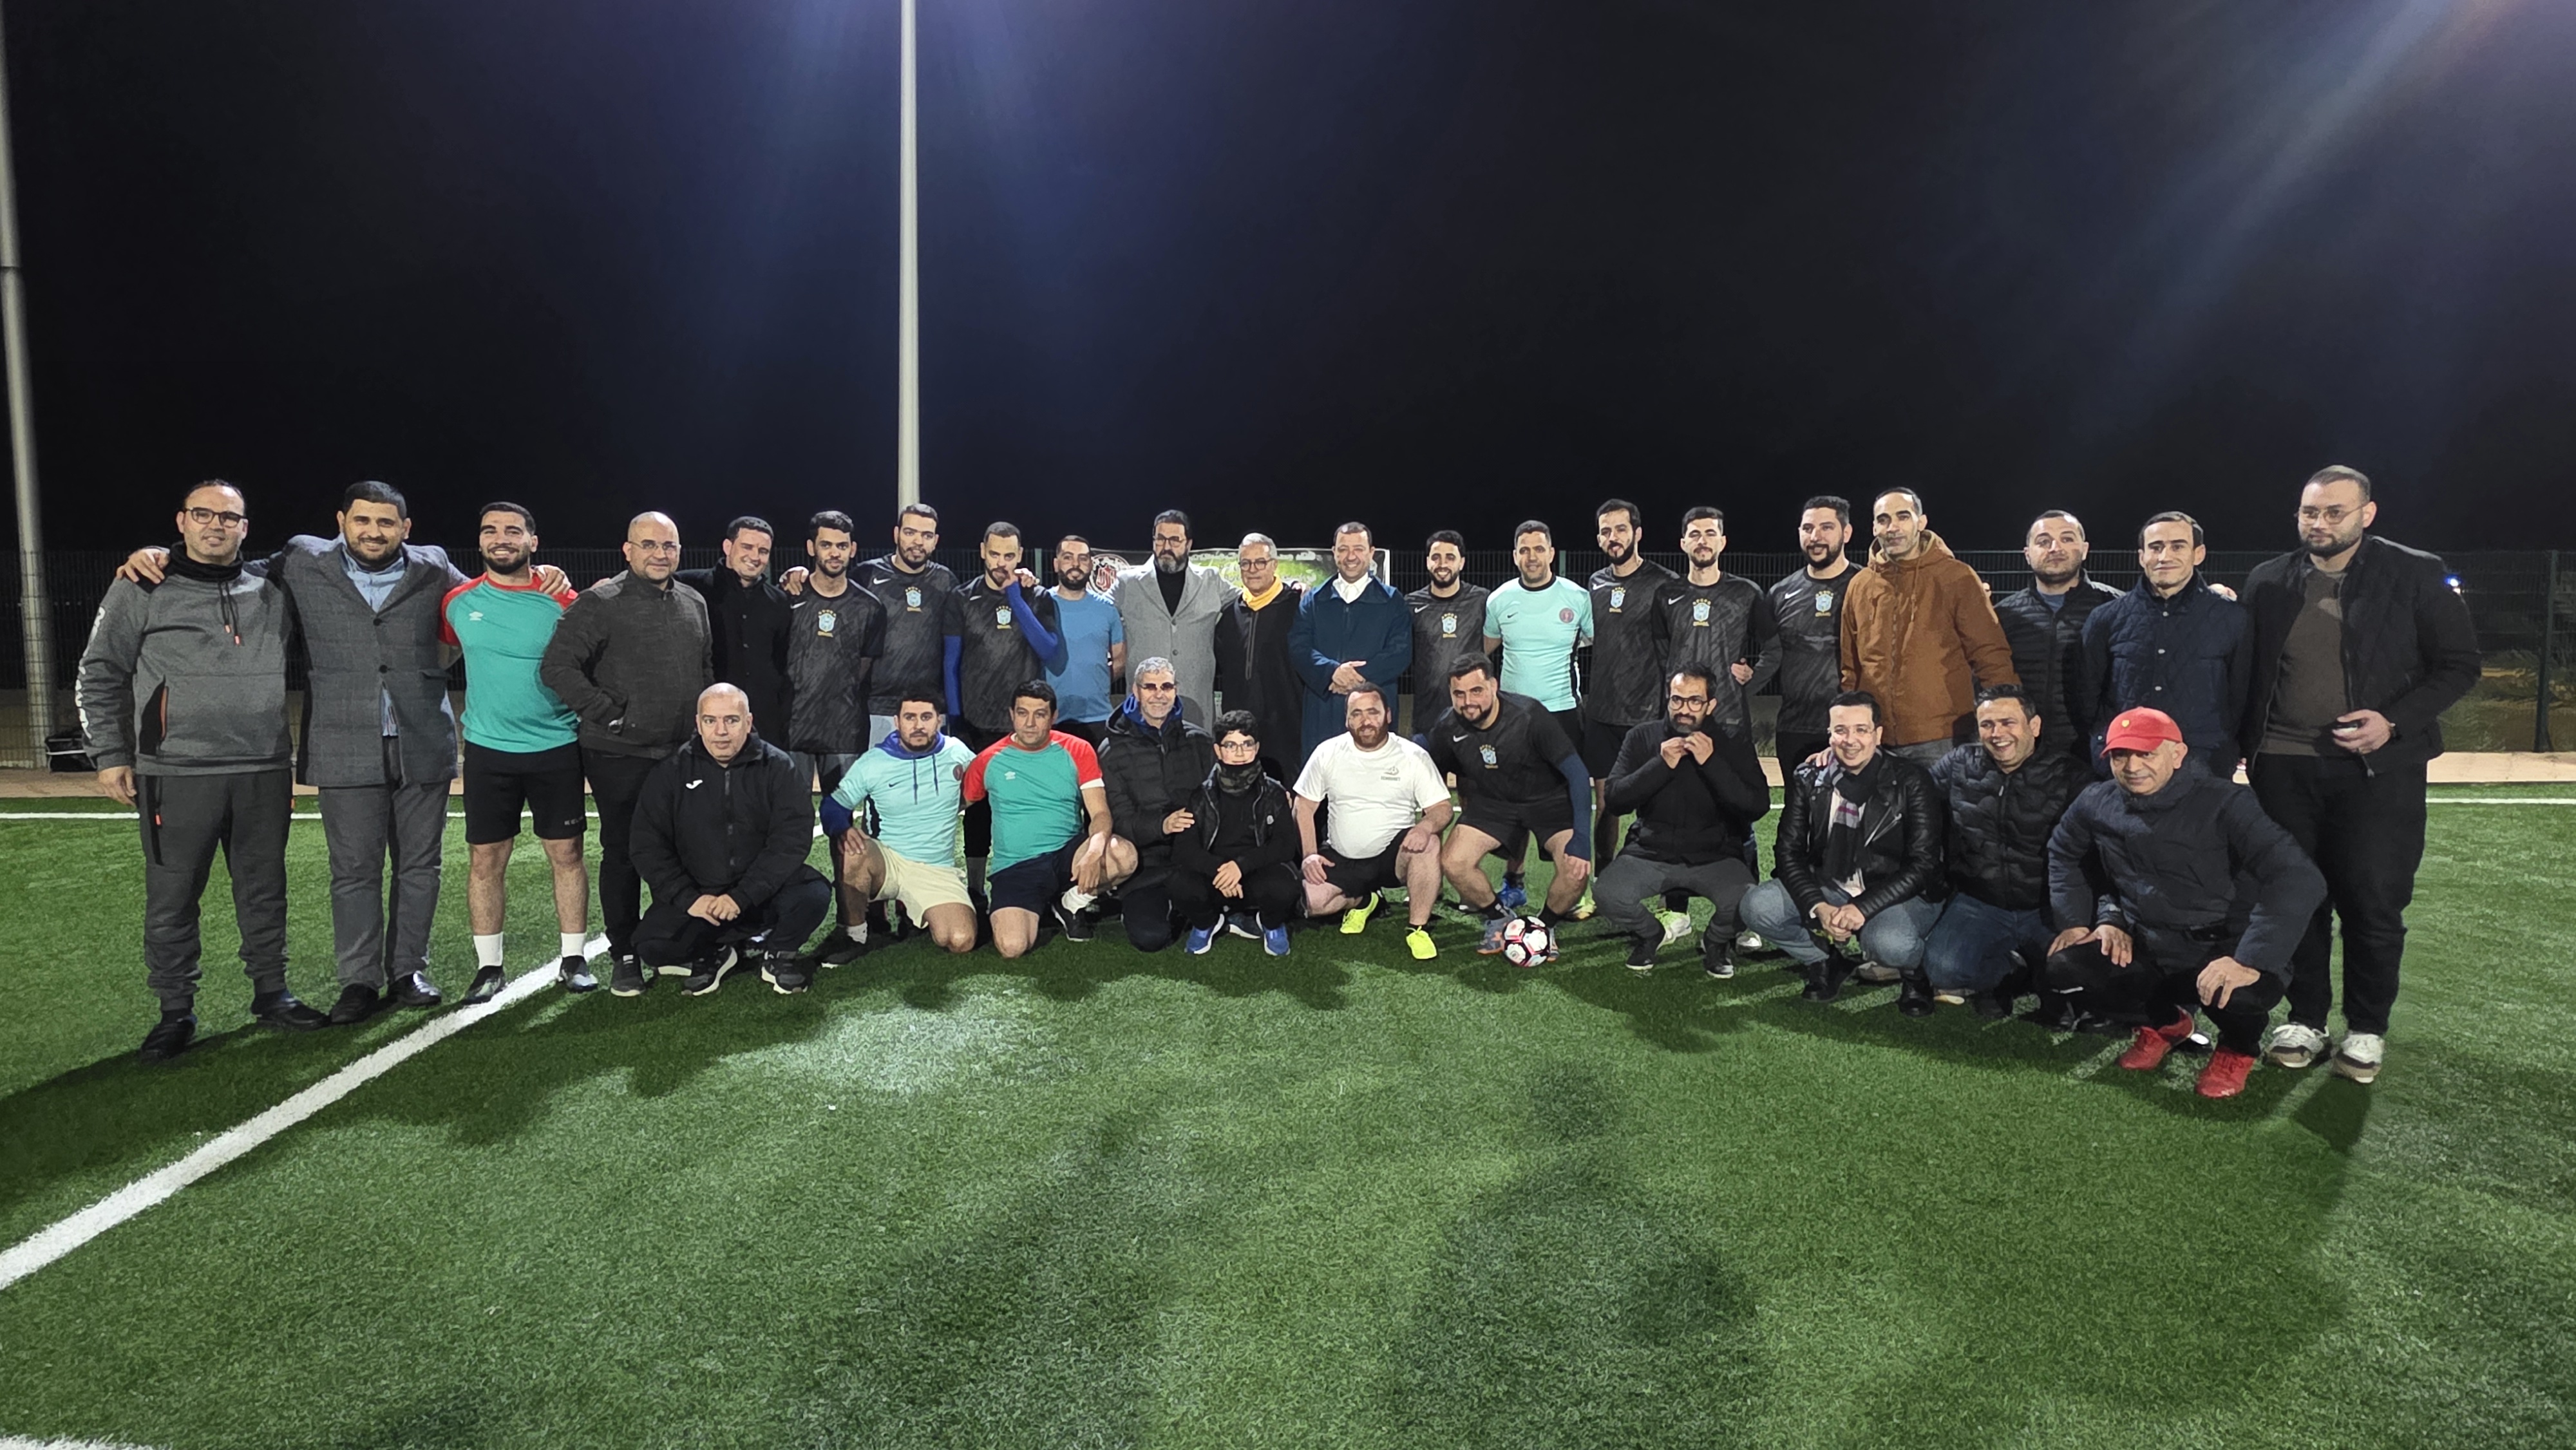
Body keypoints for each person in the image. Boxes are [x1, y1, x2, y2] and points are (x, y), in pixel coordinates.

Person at [117, 481, 477, 1021]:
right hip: (342, 740)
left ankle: (409, 970)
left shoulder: (434, 566)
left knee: (421, 867)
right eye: (362, 520)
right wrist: (160, 555)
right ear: (341, 521)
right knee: (353, 870)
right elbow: (228, 569)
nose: (373, 531)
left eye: (386, 523)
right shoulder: (304, 559)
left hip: (423, 738)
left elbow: (488, 600)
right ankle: (359, 981)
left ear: (406, 528)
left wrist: (543, 577)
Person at [2240, 464, 2479, 1085]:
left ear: (2366, 515)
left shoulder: (2415, 573)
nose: (2319, 523)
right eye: (2309, 512)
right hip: (2283, 767)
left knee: (2373, 900)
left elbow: (2459, 666)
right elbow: (2248, 669)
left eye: (2333, 512)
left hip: (2378, 771)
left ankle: (2367, 1028)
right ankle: (2306, 1019)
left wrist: (2393, 723)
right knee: (2299, 897)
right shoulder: (2267, 580)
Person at [81, 481, 326, 1061]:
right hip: (175, 771)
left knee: (265, 892)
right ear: (182, 521)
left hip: (264, 768)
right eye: (203, 514)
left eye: (229, 517)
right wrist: (110, 755)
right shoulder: (142, 585)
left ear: (245, 527)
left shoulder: (273, 584)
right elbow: (100, 671)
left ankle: (272, 993)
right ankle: (175, 1011)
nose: (216, 525)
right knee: (172, 898)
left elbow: (330, 550)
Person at [2043, 708, 2326, 1099]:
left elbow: (2298, 876)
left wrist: (2250, 959)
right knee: (2066, 967)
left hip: (2222, 944)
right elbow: (2063, 852)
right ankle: (2165, 1025)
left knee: (2239, 992)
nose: (2132, 767)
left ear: (2177, 755)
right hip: (2148, 942)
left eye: (2147, 753)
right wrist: (2080, 921)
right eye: (2121, 755)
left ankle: (2237, 1047)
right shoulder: (2096, 800)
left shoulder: (2227, 802)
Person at [539, 511, 713, 995]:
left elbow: (704, 668)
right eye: (649, 545)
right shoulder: (600, 602)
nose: (660, 554)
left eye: (669, 545)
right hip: (619, 754)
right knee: (625, 853)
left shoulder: (693, 601)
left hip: (679, 753)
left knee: (679, 851)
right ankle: (625, 954)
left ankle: (669, 943)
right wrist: (609, 713)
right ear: (628, 550)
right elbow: (557, 667)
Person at [442, 502, 595, 1000]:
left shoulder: (563, 599)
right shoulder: (458, 602)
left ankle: (574, 959)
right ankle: (489, 967)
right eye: (490, 530)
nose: (501, 538)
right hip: (488, 751)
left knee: (567, 853)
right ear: (480, 540)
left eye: (513, 530)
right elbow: (444, 652)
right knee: (486, 858)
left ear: (533, 541)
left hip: (557, 745)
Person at [1738, 691, 1945, 1006]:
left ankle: (1915, 975)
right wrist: (1818, 906)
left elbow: (1923, 864)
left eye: (1861, 730)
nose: (1850, 740)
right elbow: (1789, 852)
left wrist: (1862, 908)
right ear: (1829, 734)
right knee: (1757, 907)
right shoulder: (1809, 777)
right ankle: (1824, 961)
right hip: (1833, 883)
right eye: (1841, 730)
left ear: (1878, 735)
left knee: (1888, 943)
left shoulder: (1911, 779)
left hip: (1895, 890)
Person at [629, 685, 831, 995]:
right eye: (710, 721)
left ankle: (778, 954)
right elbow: (647, 846)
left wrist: (742, 896)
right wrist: (690, 899)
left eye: (731, 721)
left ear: (748, 723)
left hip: (760, 895)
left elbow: (790, 840)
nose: (721, 731)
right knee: (652, 946)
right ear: (698, 724)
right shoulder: (670, 772)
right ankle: (718, 952)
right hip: (702, 898)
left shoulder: (778, 767)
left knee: (813, 894)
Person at [1920, 684, 2087, 1017]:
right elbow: (1911, 791)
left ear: (2034, 726)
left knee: (2076, 971)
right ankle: (2008, 973)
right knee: (1942, 969)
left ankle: (2040, 974)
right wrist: (1837, 757)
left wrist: (2080, 917)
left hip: (2047, 906)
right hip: (1980, 902)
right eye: (1987, 725)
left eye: (2008, 722)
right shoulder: (1960, 763)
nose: (1997, 734)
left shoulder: (2071, 774)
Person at [1595, 664, 1771, 978]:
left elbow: (1757, 805)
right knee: (1607, 894)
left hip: (1715, 856)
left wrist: (1712, 763)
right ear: (1668, 699)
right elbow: (1616, 799)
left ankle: (1715, 942)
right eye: (1677, 700)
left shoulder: (1733, 740)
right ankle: (1652, 934)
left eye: (1695, 701)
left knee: (1749, 904)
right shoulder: (1642, 736)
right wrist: (1660, 765)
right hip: (1650, 852)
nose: (1684, 710)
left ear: (1711, 705)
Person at [1423, 655, 1596, 957]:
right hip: (1494, 803)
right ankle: (1499, 917)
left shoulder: (1529, 716)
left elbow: (1578, 774)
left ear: (1494, 686)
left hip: (1548, 802)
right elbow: (1429, 764)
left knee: (1575, 872)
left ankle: (1543, 927)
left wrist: (1581, 838)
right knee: (1454, 862)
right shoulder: (1449, 725)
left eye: (1476, 691)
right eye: (1459, 694)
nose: (1468, 702)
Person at [1840, 488, 2019, 763]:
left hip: (1945, 739)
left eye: (1903, 517)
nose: (1893, 527)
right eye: (1884, 520)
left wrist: (2008, 715)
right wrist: (1852, 724)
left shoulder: (1956, 577)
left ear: (1921, 522)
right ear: (1875, 528)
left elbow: (1990, 654)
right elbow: (1851, 666)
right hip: (1876, 739)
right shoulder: (1860, 585)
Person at [781, 509, 888, 965]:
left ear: (853, 550)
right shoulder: (787, 598)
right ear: (811, 548)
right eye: (826, 545)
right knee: (786, 830)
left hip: (845, 730)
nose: (834, 553)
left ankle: (852, 927)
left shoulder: (870, 607)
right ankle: (782, 925)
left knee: (844, 831)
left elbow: (860, 670)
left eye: (842, 545)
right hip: (792, 731)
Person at [960, 681, 1133, 957]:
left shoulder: (1078, 750)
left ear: (1053, 717)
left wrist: (1093, 853)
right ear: (1012, 715)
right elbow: (952, 807)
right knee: (1012, 947)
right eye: (1022, 713)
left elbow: (1100, 814)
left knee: (1124, 855)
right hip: (1016, 867)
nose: (1030, 723)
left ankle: (1071, 902)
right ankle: (1038, 906)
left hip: (1068, 857)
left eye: (1039, 714)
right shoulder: (988, 760)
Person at [1293, 683, 1453, 961]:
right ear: (1347, 720)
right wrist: (1309, 855)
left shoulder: (1412, 756)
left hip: (1394, 856)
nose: (1365, 721)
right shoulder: (1328, 752)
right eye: (1356, 714)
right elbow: (1303, 806)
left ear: (1388, 715)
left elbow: (1442, 809)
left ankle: (1417, 928)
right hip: (1343, 855)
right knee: (1311, 903)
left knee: (1428, 844)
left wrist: (1424, 827)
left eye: (1373, 712)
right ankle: (1367, 899)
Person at [2083, 511, 2249, 775]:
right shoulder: (2106, 619)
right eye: (2156, 547)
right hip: (2126, 765)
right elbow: (2087, 696)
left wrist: (2223, 750)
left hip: (2203, 767)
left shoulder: (2234, 618)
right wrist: (2102, 743)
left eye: (2178, 546)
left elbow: (2242, 696)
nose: (2165, 556)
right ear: (2142, 556)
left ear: (2199, 554)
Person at [820, 688, 980, 957]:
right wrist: (843, 829)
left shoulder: (956, 752)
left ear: (939, 721)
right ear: (897, 722)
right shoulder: (874, 762)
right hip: (887, 862)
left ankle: (919, 913)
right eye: (910, 717)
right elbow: (833, 806)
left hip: (935, 870)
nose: (918, 725)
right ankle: (854, 935)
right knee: (853, 850)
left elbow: (982, 781)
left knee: (959, 940)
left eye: (926, 717)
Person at [949, 522, 1063, 891]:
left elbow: (1049, 650)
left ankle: (1029, 885)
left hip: (1026, 727)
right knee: (977, 812)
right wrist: (957, 719)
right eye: (995, 554)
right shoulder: (961, 598)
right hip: (977, 725)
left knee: (1028, 808)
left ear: (1020, 556)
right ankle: (976, 889)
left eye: (1009, 555)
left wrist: (1015, 596)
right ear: (983, 551)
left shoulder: (1037, 596)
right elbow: (950, 663)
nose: (1001, 562)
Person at [1580, 500, 1676, 867]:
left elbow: (1680, 640)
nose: (1613, 537)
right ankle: (1604, 876)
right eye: (1606, 531)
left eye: (1620, 529)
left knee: (1654, 801)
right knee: (1607, 804)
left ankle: (1657, 875)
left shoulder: (1664, 582)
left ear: (1637, 533)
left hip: (1647, 715)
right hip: (1602, 713)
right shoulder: (1596, 583)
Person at [1097, 659, 1215, 950]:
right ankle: (1166, 903)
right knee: (1150, 938)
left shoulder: (1199, 741)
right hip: (1146, 864)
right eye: (1150, 687)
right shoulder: (1112, 750)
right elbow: (1119, 821)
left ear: (1176, 690)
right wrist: (1162, 825)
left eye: (1166, 687)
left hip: (1195, 856)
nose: (1159, 694)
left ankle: (1187, 902)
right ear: (1136, 691)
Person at [1992, 511, 2121, 769]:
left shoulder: (2116, 608)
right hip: (2025, 756)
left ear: (2085, 550)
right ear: (2028, 554)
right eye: (2043, 541)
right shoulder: (2002, 616)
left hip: (2094, 756)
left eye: (2067, 539)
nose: (2055, 548)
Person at [1172, 711, 1304, 957]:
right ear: (1218, 750)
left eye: (1247, 744)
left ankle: (1271, 924)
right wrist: (1221, 870)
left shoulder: (1274, 792)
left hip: (1256, 874)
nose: (1240, 752)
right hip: (1215, 877)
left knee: (1285, 885)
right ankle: (1208, 923)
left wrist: (1240, 867)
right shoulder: (1201, 795)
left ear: (1257, 748)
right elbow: (1184, 849)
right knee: (1179, 883)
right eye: (1231, 745)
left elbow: (1285, 846)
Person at [1289, 522, 1413, 766]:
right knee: (1324, 778)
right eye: (1344, 549)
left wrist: (1358, 679)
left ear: (1371, 552)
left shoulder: (1392, 601)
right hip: (1324, 708)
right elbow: (1299, 647)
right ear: (1334, 552)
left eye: (1358, 549)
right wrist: (1332, 672)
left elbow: (1400, 652)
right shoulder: (1314, 600)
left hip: (1373, 711)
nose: (1351, 556)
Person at [851, 503, 963, 742]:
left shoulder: (946, 581)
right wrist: (799, 575)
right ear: (896, 534)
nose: (918, 542)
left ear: (935, 541)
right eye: (910, 532)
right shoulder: (866, 575)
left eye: (927, 535)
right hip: (876, 708)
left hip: (929, 709)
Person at [676, 515, 794, 739]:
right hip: (708, 723)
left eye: (763, 551)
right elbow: (648, 582)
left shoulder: (779, 602)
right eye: (747, 547)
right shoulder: (690, 586)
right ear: (728, 546)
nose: (755, 557)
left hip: (763, 724)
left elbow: (782, 662)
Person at [1660, 506, 1775, 736]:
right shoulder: (1666, 594)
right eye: (1695, 534)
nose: (1702, 541)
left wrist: (1749, 682)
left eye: (1710, 534)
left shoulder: (1746, 593)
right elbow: (1660, 655)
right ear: (1683, 543)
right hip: (1681, 715)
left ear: (1722, 542)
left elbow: (1774, 648)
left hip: (1729, 715)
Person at [1111, 510, 1229, 726]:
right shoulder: (1127, 582)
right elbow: (1094, 609)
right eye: (1161, 539)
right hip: (1144, 708)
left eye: (1175, 540)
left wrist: (1290, 592)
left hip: (1196, 707)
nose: (1167, 546)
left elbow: (1249, 599)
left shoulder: (1211, 580)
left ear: (1189, 544)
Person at [1766, 495, 1857, 775]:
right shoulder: (1780, 593)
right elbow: (1768, 655)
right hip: (1794, 727)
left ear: (1846, 533)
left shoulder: (1866, 586)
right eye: (1808, 529)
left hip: (1851, 727)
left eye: (1826, 527)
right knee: (1797, 803)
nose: (1815, 537)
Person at [1213, 532, 1306, 782]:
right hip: (1240, 733)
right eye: (1246, 563)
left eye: (1260, 562)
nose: (1253, 569)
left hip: (1286, 728)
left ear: (1274, 565)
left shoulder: (1298, 607)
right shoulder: (1229, 615)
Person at [1405, 529, 1491, 738]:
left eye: (1450, 557)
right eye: (1436, 557)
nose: (1442, 564)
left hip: (1473, 715)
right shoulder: (1411, 603)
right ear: (1427, 562)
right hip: (1427, 716)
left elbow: (1495, 638)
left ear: (1462, 563)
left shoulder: (1482, 600)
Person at [1041, 534, 1125, 745]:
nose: (1076, 564)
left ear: (1091, 565)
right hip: (1051, 719)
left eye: (1083, 558)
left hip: (1099, 719)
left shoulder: (1107, 610)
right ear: (1056, 564)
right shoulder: (1040, 606)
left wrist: (1096, 682)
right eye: (1068, 557)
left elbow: (1120, 660)